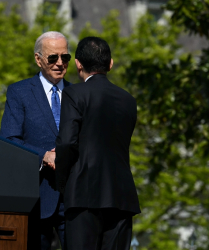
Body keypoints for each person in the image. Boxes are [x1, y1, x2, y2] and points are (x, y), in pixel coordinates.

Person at [55, 37, 141, 250]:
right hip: (121, 196)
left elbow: (67, 142)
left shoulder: (74, 94)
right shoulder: (128, 100)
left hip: (83, 194)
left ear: (78, 64)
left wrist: (62, 182)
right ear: (110, 64)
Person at [0, 31, 72, 249]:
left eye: (65, 57)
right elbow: (9, 139)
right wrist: (44, 156)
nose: (60, 63)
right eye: (53, 58)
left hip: (73, 199)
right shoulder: (19, 92)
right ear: (38, 59)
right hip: (36, 197)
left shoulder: (78, 94)